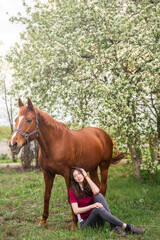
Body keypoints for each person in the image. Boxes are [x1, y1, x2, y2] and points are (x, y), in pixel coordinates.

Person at [69, 167, 145, 236]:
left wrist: (86, 177)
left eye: (79, 173)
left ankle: (114, 226)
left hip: (99, 219)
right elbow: (76, 211)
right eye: (75, 176)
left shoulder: (89, 185)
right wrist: (92, 206)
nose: (78, 176)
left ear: (83, 174)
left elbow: (96, 191)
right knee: (97, 208)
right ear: (74, 179)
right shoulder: (72, 190)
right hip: (86, 223)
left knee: (98, 196)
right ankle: (127, 227)